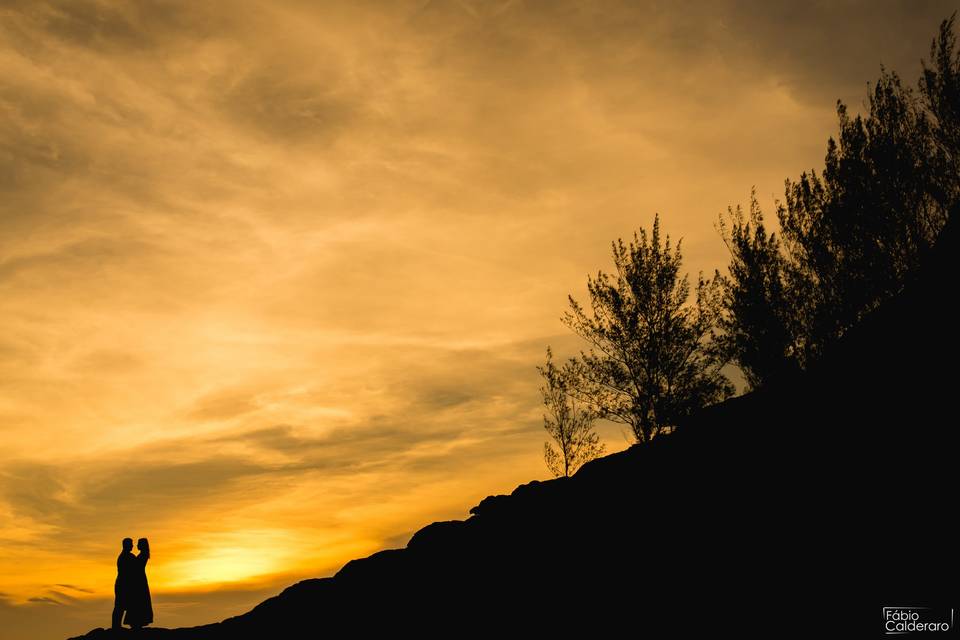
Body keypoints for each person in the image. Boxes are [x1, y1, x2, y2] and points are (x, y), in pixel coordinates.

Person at [123, 538, 154, 629]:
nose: (136, 545)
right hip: (139, 579)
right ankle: (137, 621)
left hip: (139, 580)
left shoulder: (142, 555)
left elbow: (136, 566)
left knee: (138, 600)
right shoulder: (142, 555)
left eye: (138, 544)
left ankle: (137, 620)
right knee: (138, 600)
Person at [111, 538, 136, 629]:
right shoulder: (125, 557)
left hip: (124, 584)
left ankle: (118, 625)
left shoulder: (127, 556)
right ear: (126, 545)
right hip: (123, 584)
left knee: (124, 605)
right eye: (131, 544)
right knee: (120, 605)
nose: (132, 546)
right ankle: (116, 626)